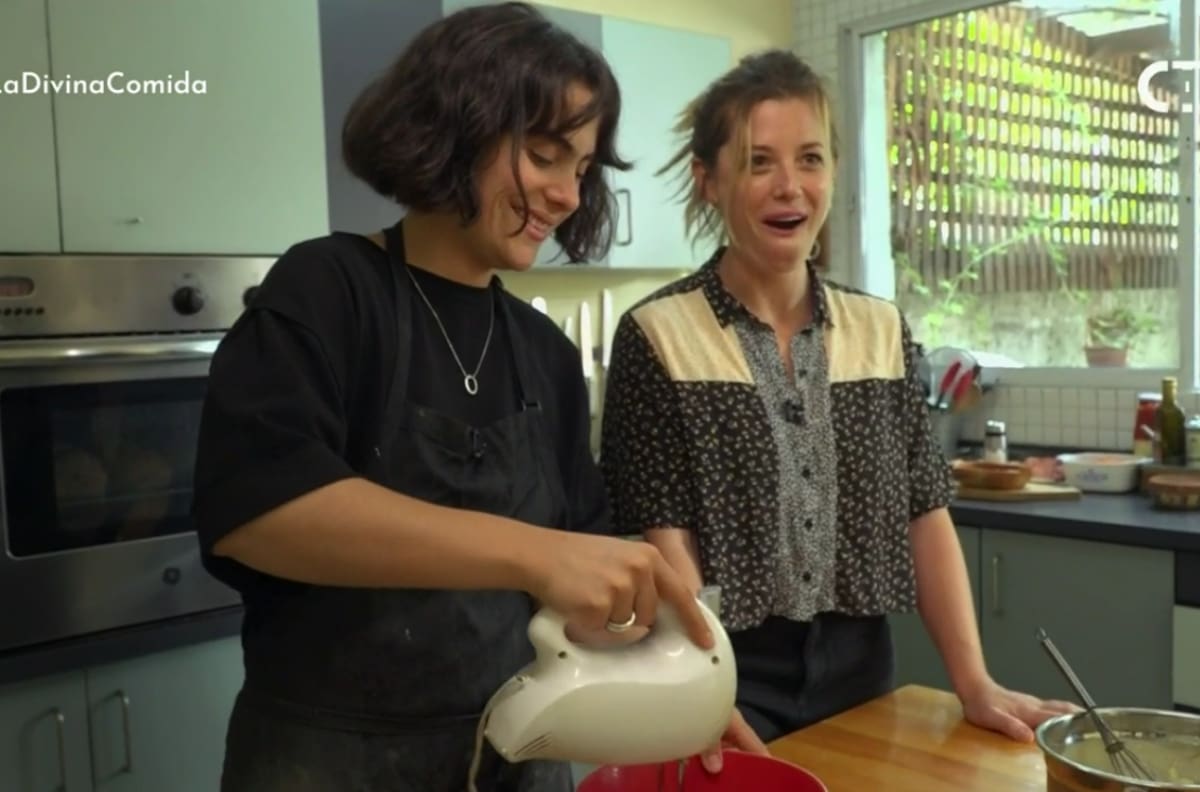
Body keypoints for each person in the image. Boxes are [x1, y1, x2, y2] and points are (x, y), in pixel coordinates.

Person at [191, 5, 715, 791]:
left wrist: (685, 687)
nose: (569, 195)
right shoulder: (328, 289)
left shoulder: (542, 353)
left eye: (581, 169)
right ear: (456, 126)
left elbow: (580, 589)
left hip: (519, 753)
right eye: (545, 155)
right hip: (328, 762)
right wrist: (537, 554)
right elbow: (259, 512)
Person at [599, 49, 1079, 757]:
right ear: (709, 181)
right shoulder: (658, 335)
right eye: (759, 162)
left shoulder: (879, 329)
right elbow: (665, 544)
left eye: (811, 158)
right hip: (725, 675)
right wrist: (704, 695)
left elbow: (925, 511)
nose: (790, 187)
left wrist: (975, 682)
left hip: (863, 669)